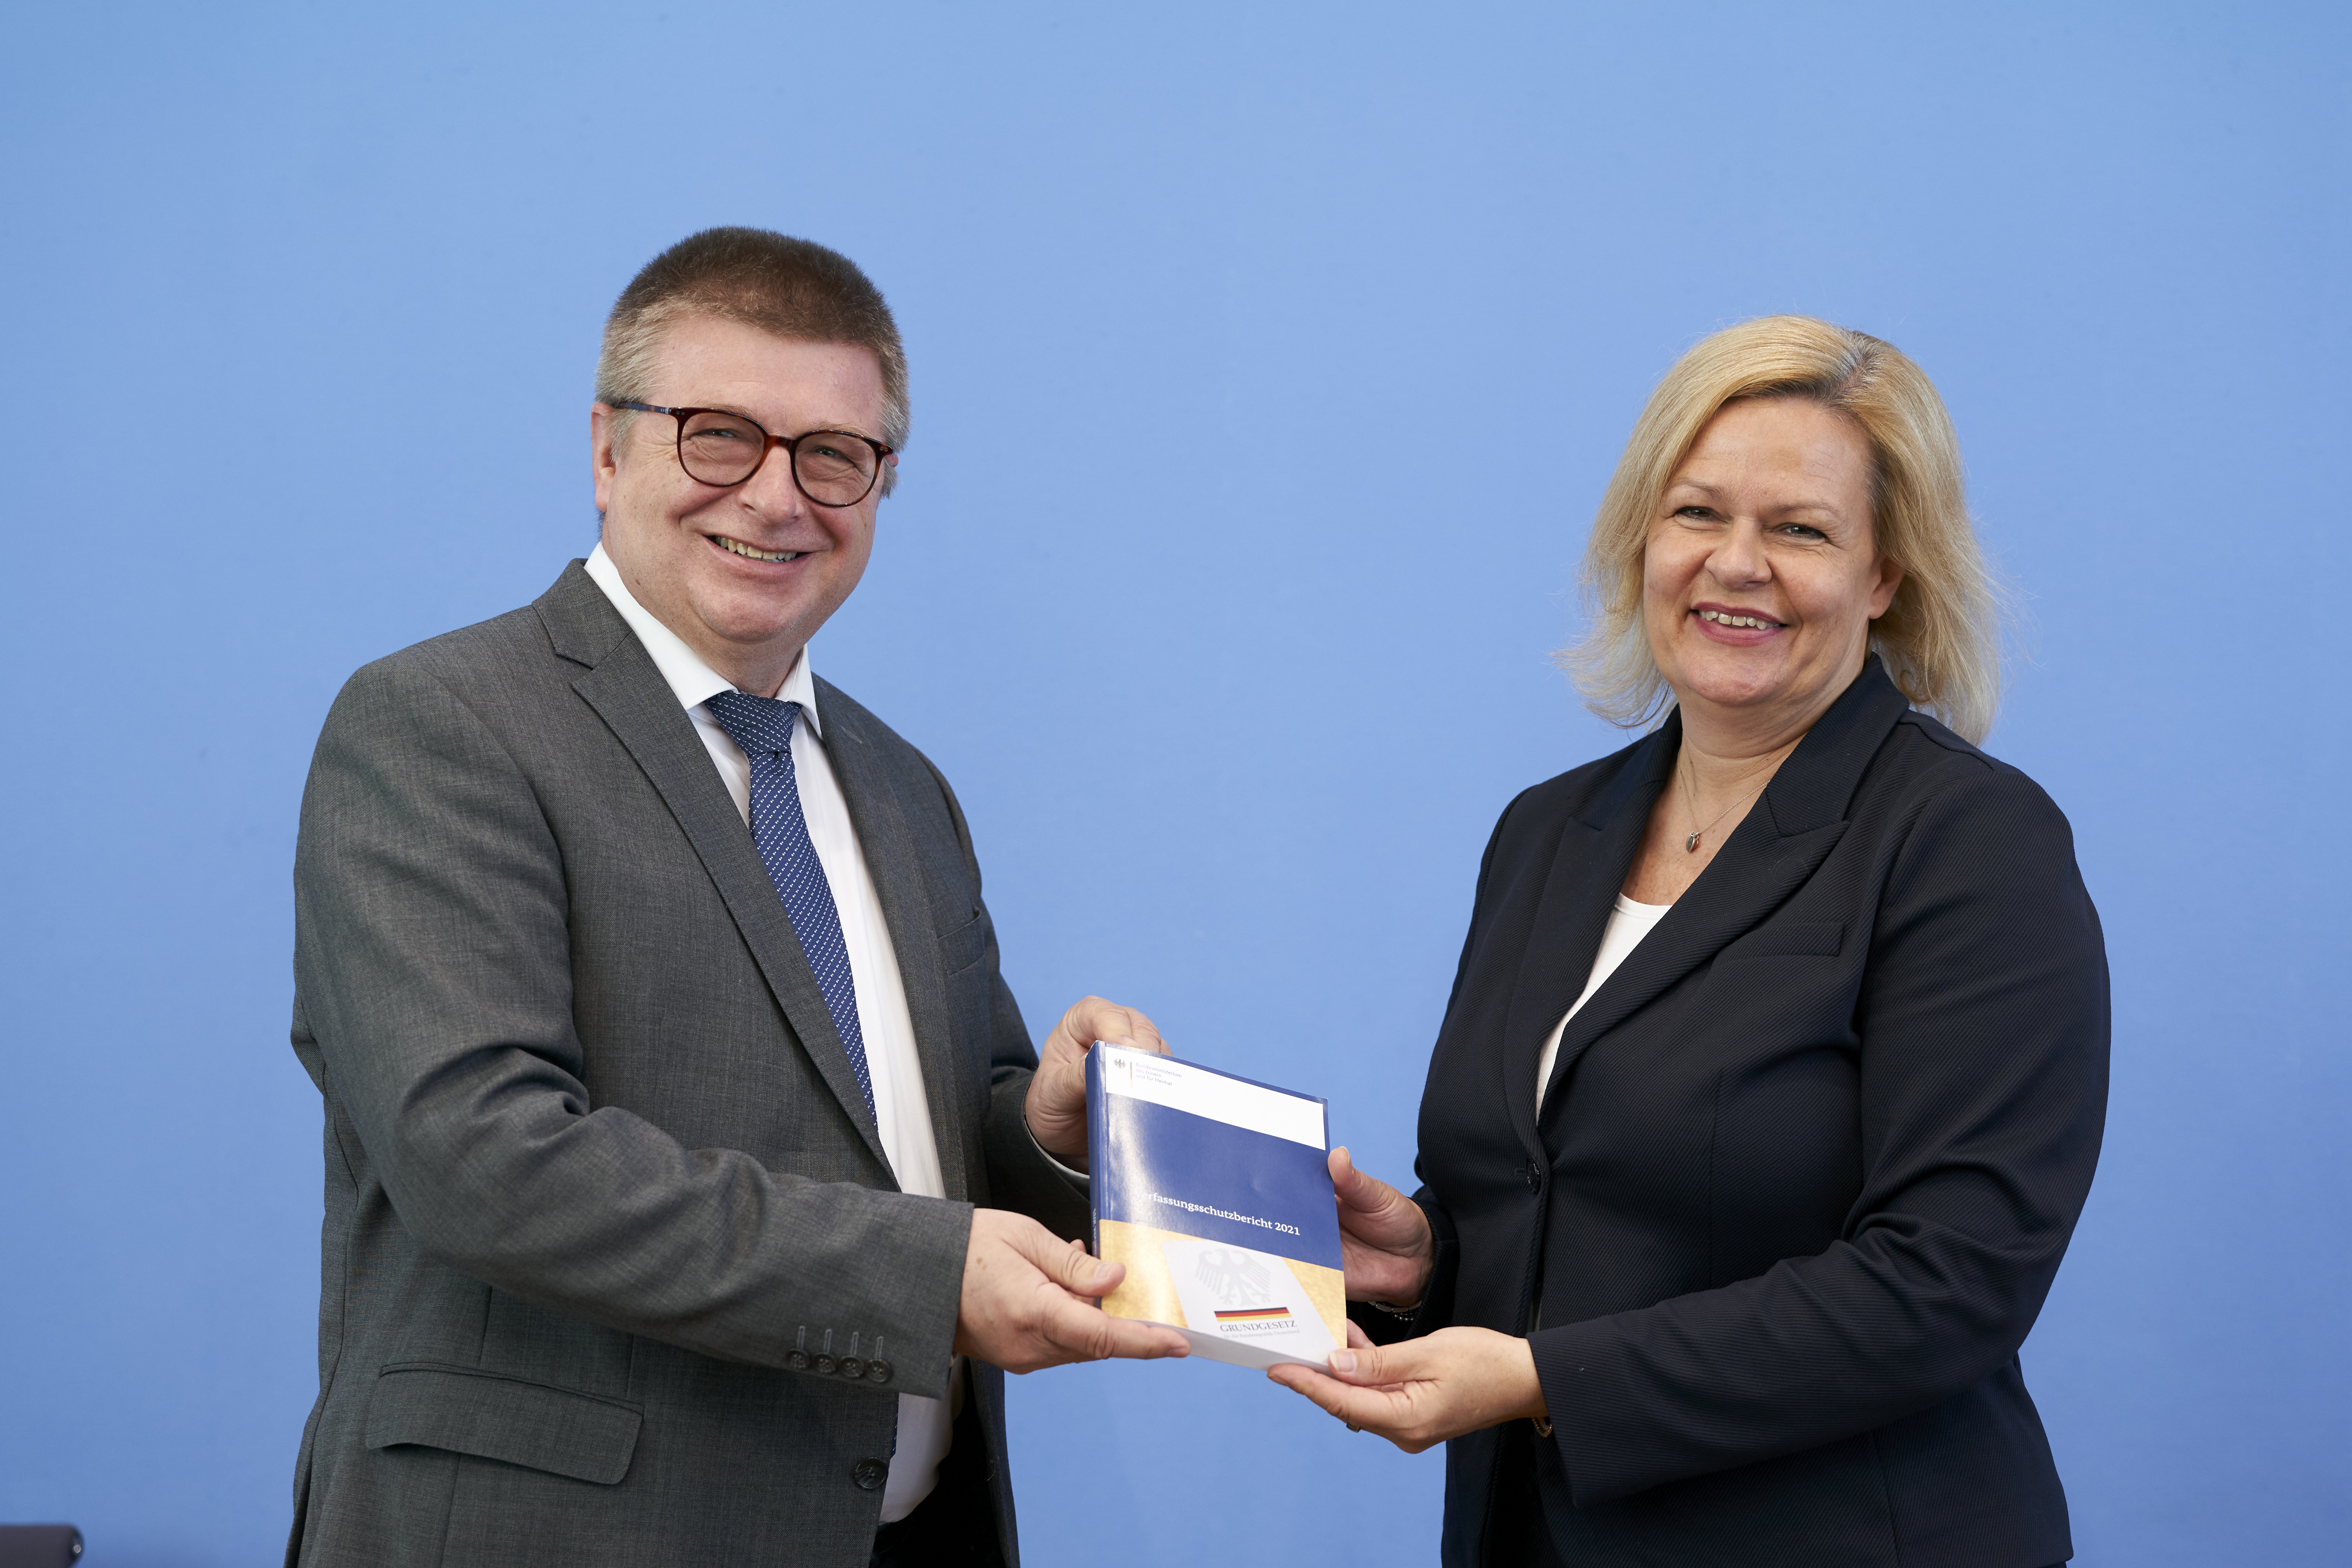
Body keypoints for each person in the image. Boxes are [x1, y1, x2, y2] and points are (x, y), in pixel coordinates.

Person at [283, 227, 1188, 1568]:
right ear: (607, 451)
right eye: (719, 437)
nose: (777, 497)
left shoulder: (900, 786)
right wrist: (924, 1276)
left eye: (834, 455)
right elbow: (485, 1160)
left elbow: (922, 1147)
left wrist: (1045, 1133)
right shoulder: (440, 725)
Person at [1271, 316, 2109, 1568]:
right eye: (1695, 514)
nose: (1735, 563)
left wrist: (1540, 1377)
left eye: (1800, 529)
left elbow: (1949, 1285)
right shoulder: (1548, 832)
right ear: (1640, 541)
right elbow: (1573, 1198)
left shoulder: (1969, 841)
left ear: (1885, 576)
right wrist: (1427, 1265)